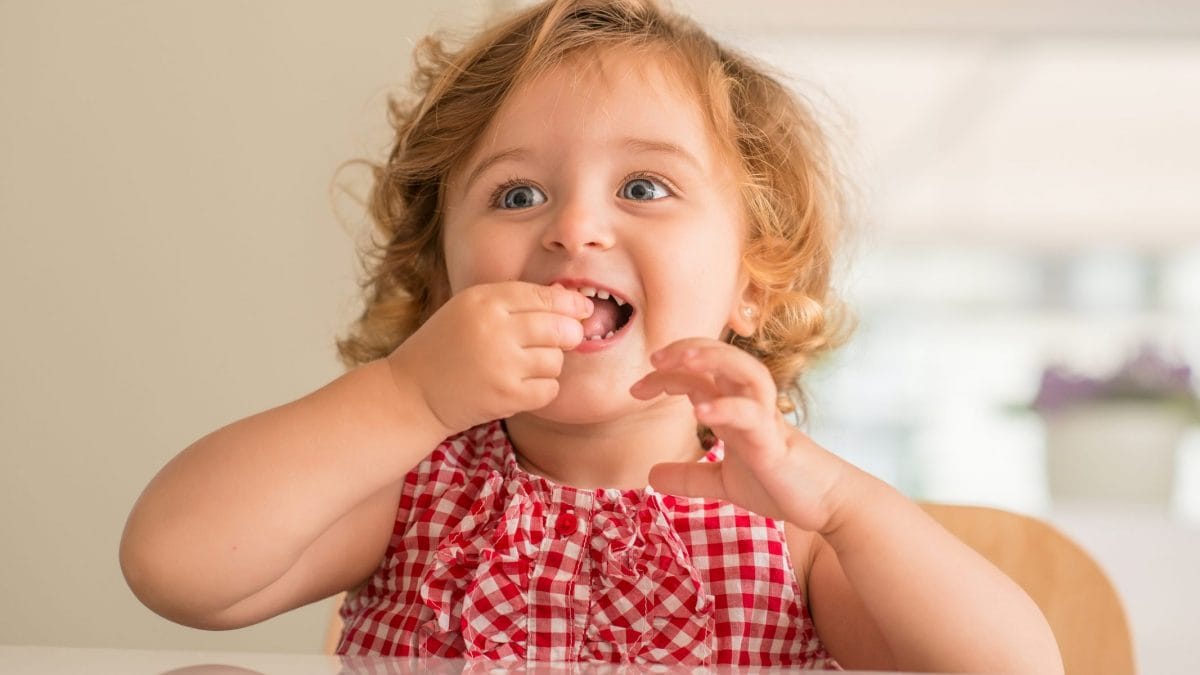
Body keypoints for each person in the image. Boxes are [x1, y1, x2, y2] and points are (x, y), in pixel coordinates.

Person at [120, 0, 1063, 670]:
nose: (574, 227)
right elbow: (177, 571)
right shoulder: (411, 497)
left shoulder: (792, 532)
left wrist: (845, 509)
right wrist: (408, 394)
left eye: (644, 188)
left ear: (753, 280)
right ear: (445, 276)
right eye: (517, 193)